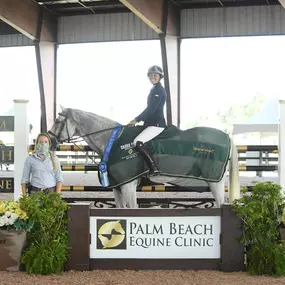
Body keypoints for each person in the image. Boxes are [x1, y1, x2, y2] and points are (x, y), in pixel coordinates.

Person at [128, 65, 166, 175]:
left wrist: (136, 120)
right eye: (151, 76)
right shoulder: (154, 89)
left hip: (156, 125)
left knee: (137, 142)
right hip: (150, 123)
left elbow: (151, 110)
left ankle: (154, 168)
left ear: (160, 77)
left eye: (155, 75)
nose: (152, 77)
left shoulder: (159, 90)